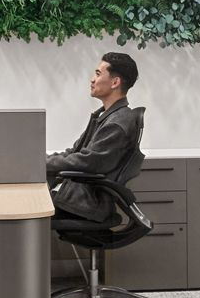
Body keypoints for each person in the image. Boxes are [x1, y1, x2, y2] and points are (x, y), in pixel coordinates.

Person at [45, 51, 144, 226]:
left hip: (87, 203)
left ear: (115, 82)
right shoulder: (105, 116)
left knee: (25, 204)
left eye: (98, 74)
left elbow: (87, 162)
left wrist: (43, 163)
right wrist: (45, 160)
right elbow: (75, 152)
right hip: (80, 194)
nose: (92, 79)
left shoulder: (117, 123)